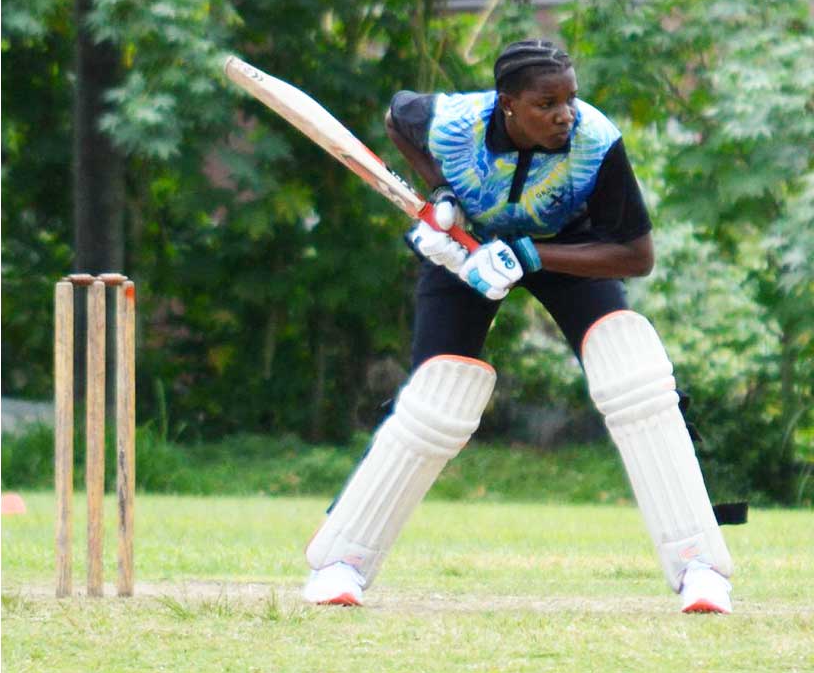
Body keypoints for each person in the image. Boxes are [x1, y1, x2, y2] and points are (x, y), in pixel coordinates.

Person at [300, 39, 734, 614]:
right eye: (546, 103)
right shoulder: (455, 123)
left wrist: (530, 255)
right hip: (470, 251)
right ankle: (343, 562)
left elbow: (634, 254)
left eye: (570, 99)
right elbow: (396, 117)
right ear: (507, 103)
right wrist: (441, 194)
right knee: (434, 395)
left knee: (635, 372)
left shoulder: (594, 143)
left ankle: (699, 567)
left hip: (568, 251)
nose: (565, 115)